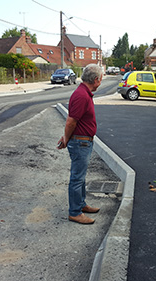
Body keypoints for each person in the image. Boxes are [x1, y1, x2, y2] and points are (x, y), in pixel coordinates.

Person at [57, 64, 103, 224]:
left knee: (81, 177)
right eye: (101, 79)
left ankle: (81, 204)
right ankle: (75, 212)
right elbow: (71, 121)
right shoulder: (81, 95)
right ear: (96, 79)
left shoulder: (84, 93)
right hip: (80, 142)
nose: (101, 81)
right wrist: (66, 138)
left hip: (83, 141)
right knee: (77, 178)